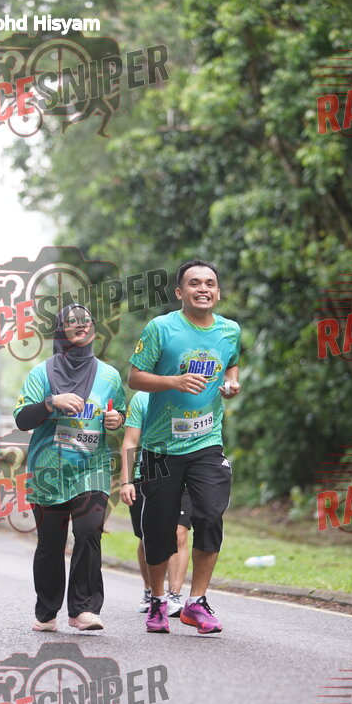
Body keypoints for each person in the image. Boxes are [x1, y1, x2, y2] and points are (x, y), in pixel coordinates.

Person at [127, 259, 241, 634]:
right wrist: (174, 382)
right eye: (194, 283)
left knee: (209, 515)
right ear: (180, 292)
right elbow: (135, 378)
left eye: (209, 283)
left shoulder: (230, 330)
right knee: (158, 529)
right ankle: (158, 601)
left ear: (218, 292)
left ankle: (196, 603)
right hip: (160, 446)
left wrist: (231, 383)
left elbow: (231, 363)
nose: (202, 289)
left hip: (206, 441)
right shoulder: (161, 328)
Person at [14, 304, 125, 633]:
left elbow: (118, 412)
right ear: (60, 330)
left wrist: (116, 419)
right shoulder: (41, 374)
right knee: (51, 543)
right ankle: (47, 611)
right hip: (49, 470)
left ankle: (84, 609)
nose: (81, 325)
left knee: (89, 531)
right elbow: (22, 419)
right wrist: (52, 403)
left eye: (86, 321)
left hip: (92, 468)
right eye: (73, 322)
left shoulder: (109, 375)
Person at [120, 390, 191, 616]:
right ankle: (151, 591)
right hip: (149, 473)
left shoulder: (191, 393)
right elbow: (131, 440)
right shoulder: (142, 398)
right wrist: (126, 481)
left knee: (179, 532)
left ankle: (174, 596)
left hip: (186, 471)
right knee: (149, 536)